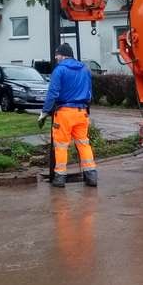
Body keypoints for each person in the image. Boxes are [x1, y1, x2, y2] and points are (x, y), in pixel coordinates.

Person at [38, 43, 97, 188]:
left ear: (63, 55)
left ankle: (59, 178)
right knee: (84, 143)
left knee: (61, 146)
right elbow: (89, 93)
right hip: (81, 112)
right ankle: (91, 176)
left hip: (64, 113)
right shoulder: (85, 69)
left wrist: (44, 112)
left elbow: (53, 93)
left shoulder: (60, 70)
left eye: (57, 55)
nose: (56, 57)